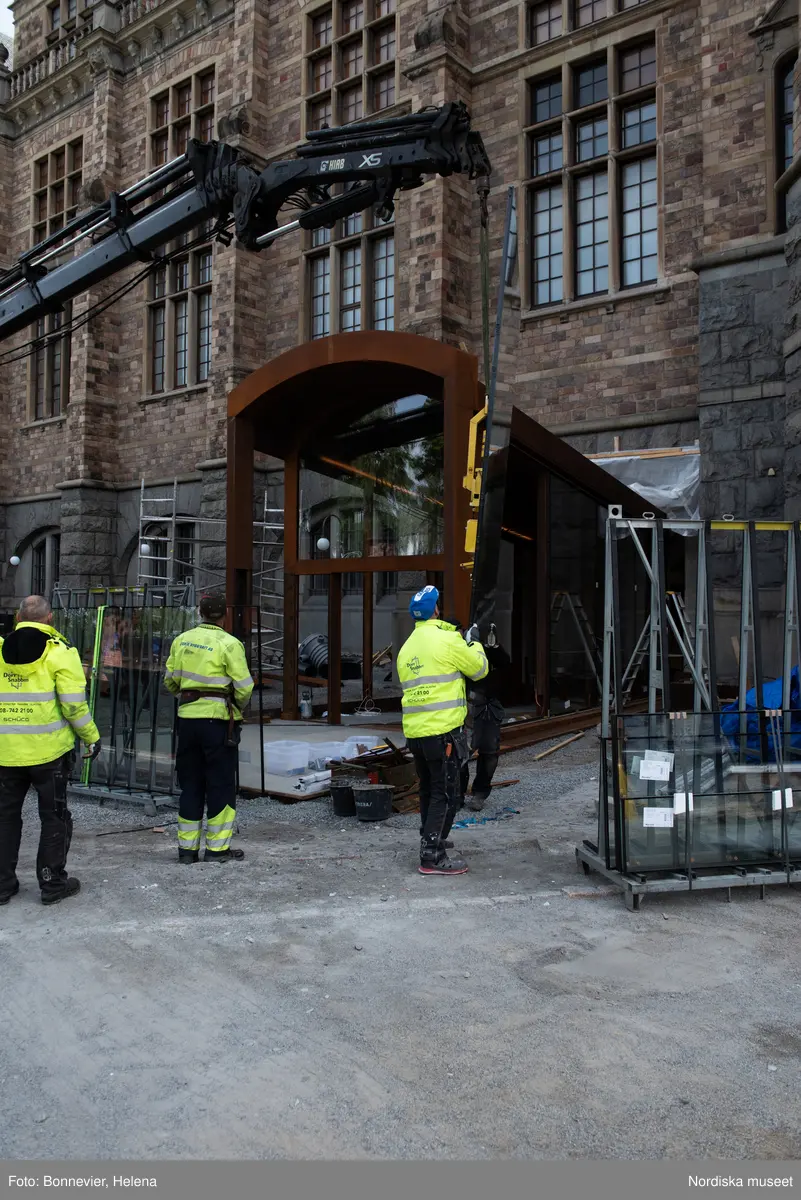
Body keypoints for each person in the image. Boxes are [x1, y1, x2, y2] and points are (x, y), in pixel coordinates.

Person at [0, 595, 101, 906]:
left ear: (18, 618)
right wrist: (91, 736)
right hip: (49, 754)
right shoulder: (61, 653)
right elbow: (73, 706)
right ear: (50, 619)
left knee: (4, 818)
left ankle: (3, 885)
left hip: (5, 752)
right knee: (54, 817)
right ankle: (52, 883)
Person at [398, 585, 488, 876]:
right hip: (443, 732)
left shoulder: (406, 647)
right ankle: (431, 855)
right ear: (436, 609)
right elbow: (478, 670)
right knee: (445, 793)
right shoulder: (448, 640)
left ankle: (430, 839)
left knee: (428, 789)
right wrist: (473, 642)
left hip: (416, 734)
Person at [164, 595, 254, 864]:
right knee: (220, 784)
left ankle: (187, 851)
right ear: (224, 615)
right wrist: (235, 707)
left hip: (188, 721)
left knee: (190, 784)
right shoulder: (230, 644)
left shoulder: (182, 640)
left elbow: (170, 681)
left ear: (199, 613)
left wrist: (186, 695)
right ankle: (216, 850)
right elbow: (245, 686)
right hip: (218, 722)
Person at [465, 630, 510, 812]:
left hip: (490, 708)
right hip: (469, 708)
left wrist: (494, 647)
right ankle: (457, 795)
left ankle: (479, 794)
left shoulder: (490, 652)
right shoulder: (461, 651)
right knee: (462, 755)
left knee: (489, 753)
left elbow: (505, 663)